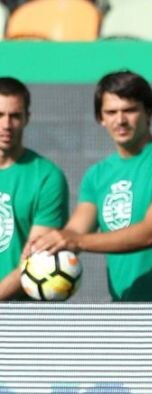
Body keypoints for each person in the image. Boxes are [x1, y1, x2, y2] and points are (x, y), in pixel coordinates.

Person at [28, 71, 152, 302]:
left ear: (149, 112)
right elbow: (74, 232)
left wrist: (76, 241)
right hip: (123, 307)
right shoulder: (96, 175)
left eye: (129, 110)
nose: (120, 120)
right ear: (100, 118)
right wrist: (45, 246)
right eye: (111, 112)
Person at [0, 77, 69, 301]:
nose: (6, 125)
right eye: (0, 115)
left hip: (24, 314)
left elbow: (35, 262)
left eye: (15, 116)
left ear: (27, 118)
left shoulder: (47, 177)